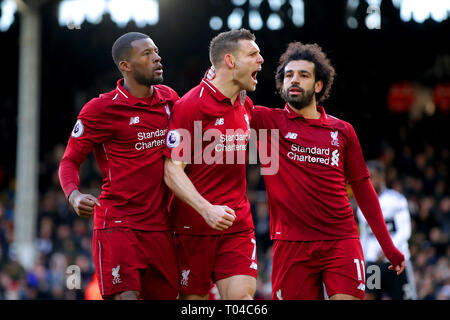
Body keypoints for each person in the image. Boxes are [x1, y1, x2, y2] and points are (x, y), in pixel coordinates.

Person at [250, 42, 405, 300]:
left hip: (341, 240)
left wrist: (388, 247)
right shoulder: (267, 122)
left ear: (318, 85)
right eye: (288, 75)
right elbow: (227, 100)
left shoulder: (342, 131)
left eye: (303, 75)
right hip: (291, 245)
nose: (294, 80)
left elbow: (364, 191)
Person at [58, 32, 179, 300]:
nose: (157, 57)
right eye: (146, 54)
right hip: (119, 224)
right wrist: (73, 194)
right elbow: (69, 160)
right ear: (125, 65)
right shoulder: (100, 109)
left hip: (161, 226)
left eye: (156, 51)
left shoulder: (170, 99)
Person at [163, 28, 263, 300]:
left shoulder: (245, 104)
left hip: (237, 223)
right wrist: (206, 210)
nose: (261, 60)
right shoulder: (191, 106)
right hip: (193, 227)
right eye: (253, 54)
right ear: (230, 61)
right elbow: (172, 170)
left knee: (242, 299)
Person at [357, 160, 417, 300]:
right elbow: (365, 236)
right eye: (367, 177)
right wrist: (364, 259)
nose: (369, 181)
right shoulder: (362, 204)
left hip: (397, 262)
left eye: (372, 177)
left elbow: (405, 231)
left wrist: (387, 251)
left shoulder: (396, 200)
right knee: (369, 296)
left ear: (381, 177)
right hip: (374, 264)